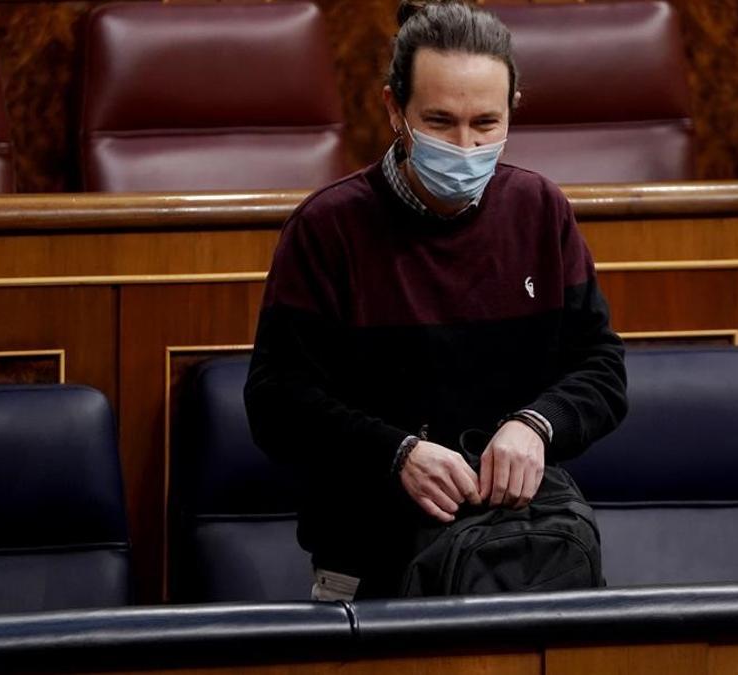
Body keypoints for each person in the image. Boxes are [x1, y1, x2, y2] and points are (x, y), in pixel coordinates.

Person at [244, 0, 627, 601]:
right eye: (441, 121)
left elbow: (601, 368)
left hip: (520, 557)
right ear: (395, 108)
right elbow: (276, 402)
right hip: (371, 568)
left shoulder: (540, 210)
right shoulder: (328, 228)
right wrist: (394, 454)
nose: (466, 146)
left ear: (513, 111)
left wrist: (536, 425)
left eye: (486, 123)